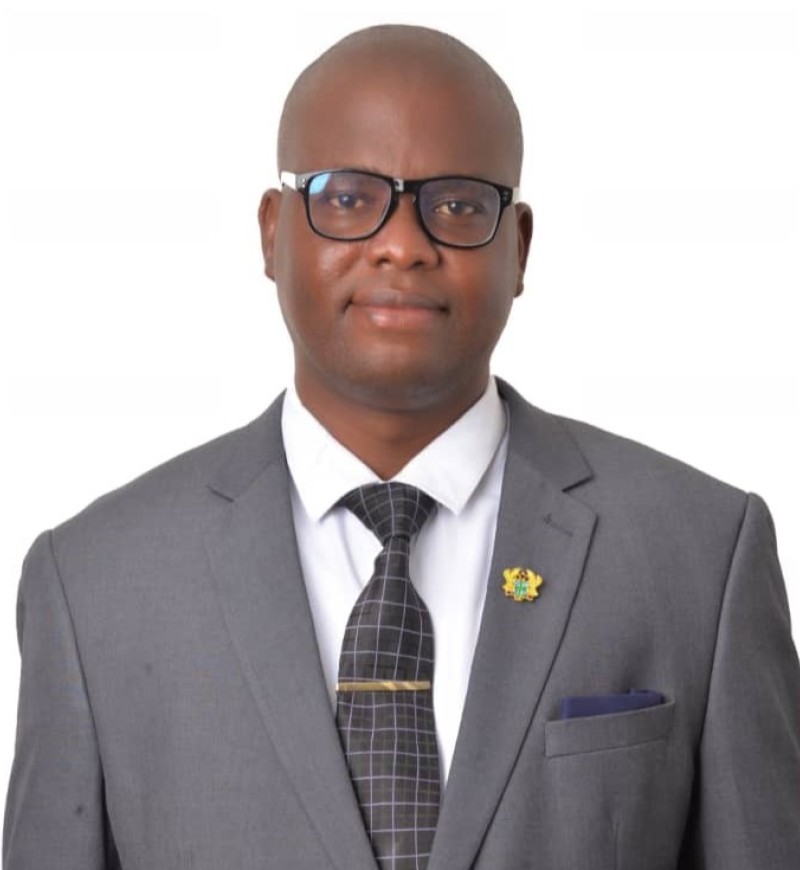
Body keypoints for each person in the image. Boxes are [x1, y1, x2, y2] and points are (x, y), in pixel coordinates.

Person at [3, 22, 799, 870]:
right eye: (348, 198)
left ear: (518, 246)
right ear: (273, 232)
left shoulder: (700, 554)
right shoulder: (93, 584)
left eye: (457, 205)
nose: (403, 245)